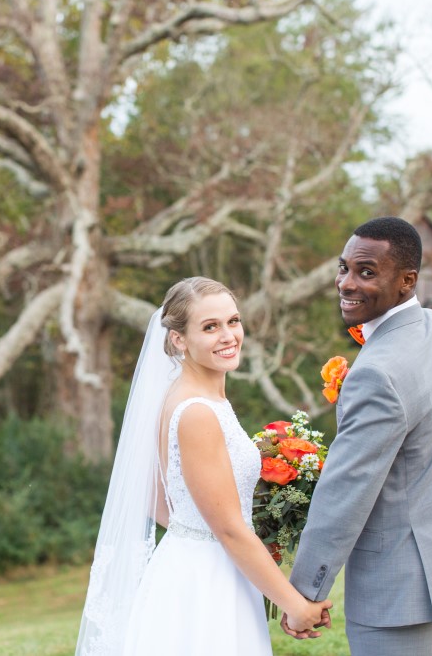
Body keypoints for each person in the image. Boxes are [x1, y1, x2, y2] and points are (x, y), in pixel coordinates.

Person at [285, 217, 432, 655]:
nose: (346, 283)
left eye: (366, 272)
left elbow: (345, 493)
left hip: (398, 589)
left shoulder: (375, 373)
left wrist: (304, 592)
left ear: (407, 281)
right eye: (344, 267)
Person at [76, 277, 332, 656]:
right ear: (179, 339)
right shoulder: (197, 412)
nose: (228, 335)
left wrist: (195, 527)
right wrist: (295, 605)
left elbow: (152, 494)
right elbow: (228, 529)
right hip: (205, 583)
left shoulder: (192, 397)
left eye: (233, 321)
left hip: (197, 563)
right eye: (210, 327)